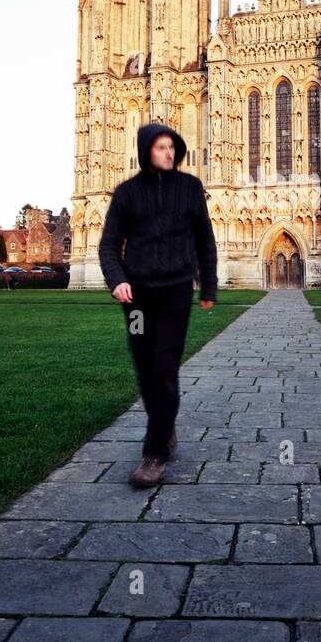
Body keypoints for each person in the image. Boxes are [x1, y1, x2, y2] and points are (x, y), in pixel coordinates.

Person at [98, 122, 217, 488]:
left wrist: (208, 286)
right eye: (161, 147)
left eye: (172, 147)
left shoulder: (190, 188)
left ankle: (153, 454)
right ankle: (165, 426)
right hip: (137, 299)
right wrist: (117, 280)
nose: (169, 152)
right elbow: (108, 244)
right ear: (146, 149)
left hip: (175, 293)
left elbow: (205, 240)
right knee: (146, 370)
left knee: (165, 368)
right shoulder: (127, 194)